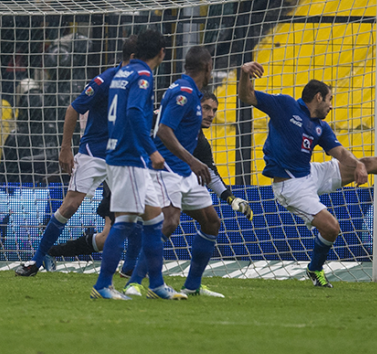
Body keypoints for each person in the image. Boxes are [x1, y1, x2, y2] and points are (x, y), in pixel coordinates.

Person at [238, 62, 377, 288]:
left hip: (310, 173)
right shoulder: (285, 105)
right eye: (329, 100)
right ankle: (315, 269)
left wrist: (357, 165)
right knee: (331, 228)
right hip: (290, 186)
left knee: (368, 163)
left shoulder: (320, 127)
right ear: (318, 97)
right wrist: (245, 74)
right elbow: (247, 96)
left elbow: (338, 151)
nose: (331, 106)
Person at [47, 92, 253, 271]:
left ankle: (54, 252)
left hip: (155, 185)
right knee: (146, 223)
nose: (210, 114)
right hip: (126, 173)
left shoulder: (200, 142)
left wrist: (230, 198)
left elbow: (209, 172)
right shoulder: (163, 122)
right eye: (206, 108)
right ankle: (130, 274)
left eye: (214, 110)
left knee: (109, 238)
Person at [121, 47, 251, 298]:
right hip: (167, 168)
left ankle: (192, 285)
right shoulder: (185, 91)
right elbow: (164, 131)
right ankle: (135, 282)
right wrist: (193, 161)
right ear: (208, 68)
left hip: (183, 171)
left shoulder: (191, 92)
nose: (210, 114)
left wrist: (226, 194)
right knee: (168, 223)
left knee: (211, 221)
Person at [14, 35, 136, 277]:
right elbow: (73, 109)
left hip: (121, 155)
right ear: (132, 58)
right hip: (93, 153)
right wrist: (66, 148)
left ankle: (129, 269)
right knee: (71, 205)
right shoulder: (104, 80)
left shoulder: (139, 83)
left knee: (133, 212)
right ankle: (37, 260)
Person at [90, 30, 185, 300]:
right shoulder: (143, 74)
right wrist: (152, 151)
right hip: (128, 157)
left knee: (155, 221)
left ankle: (156, 285)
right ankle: (102, 285)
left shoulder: (123, 72)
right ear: (162, 53)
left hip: (126, 157)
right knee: (126, 222)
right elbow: (133, 112)